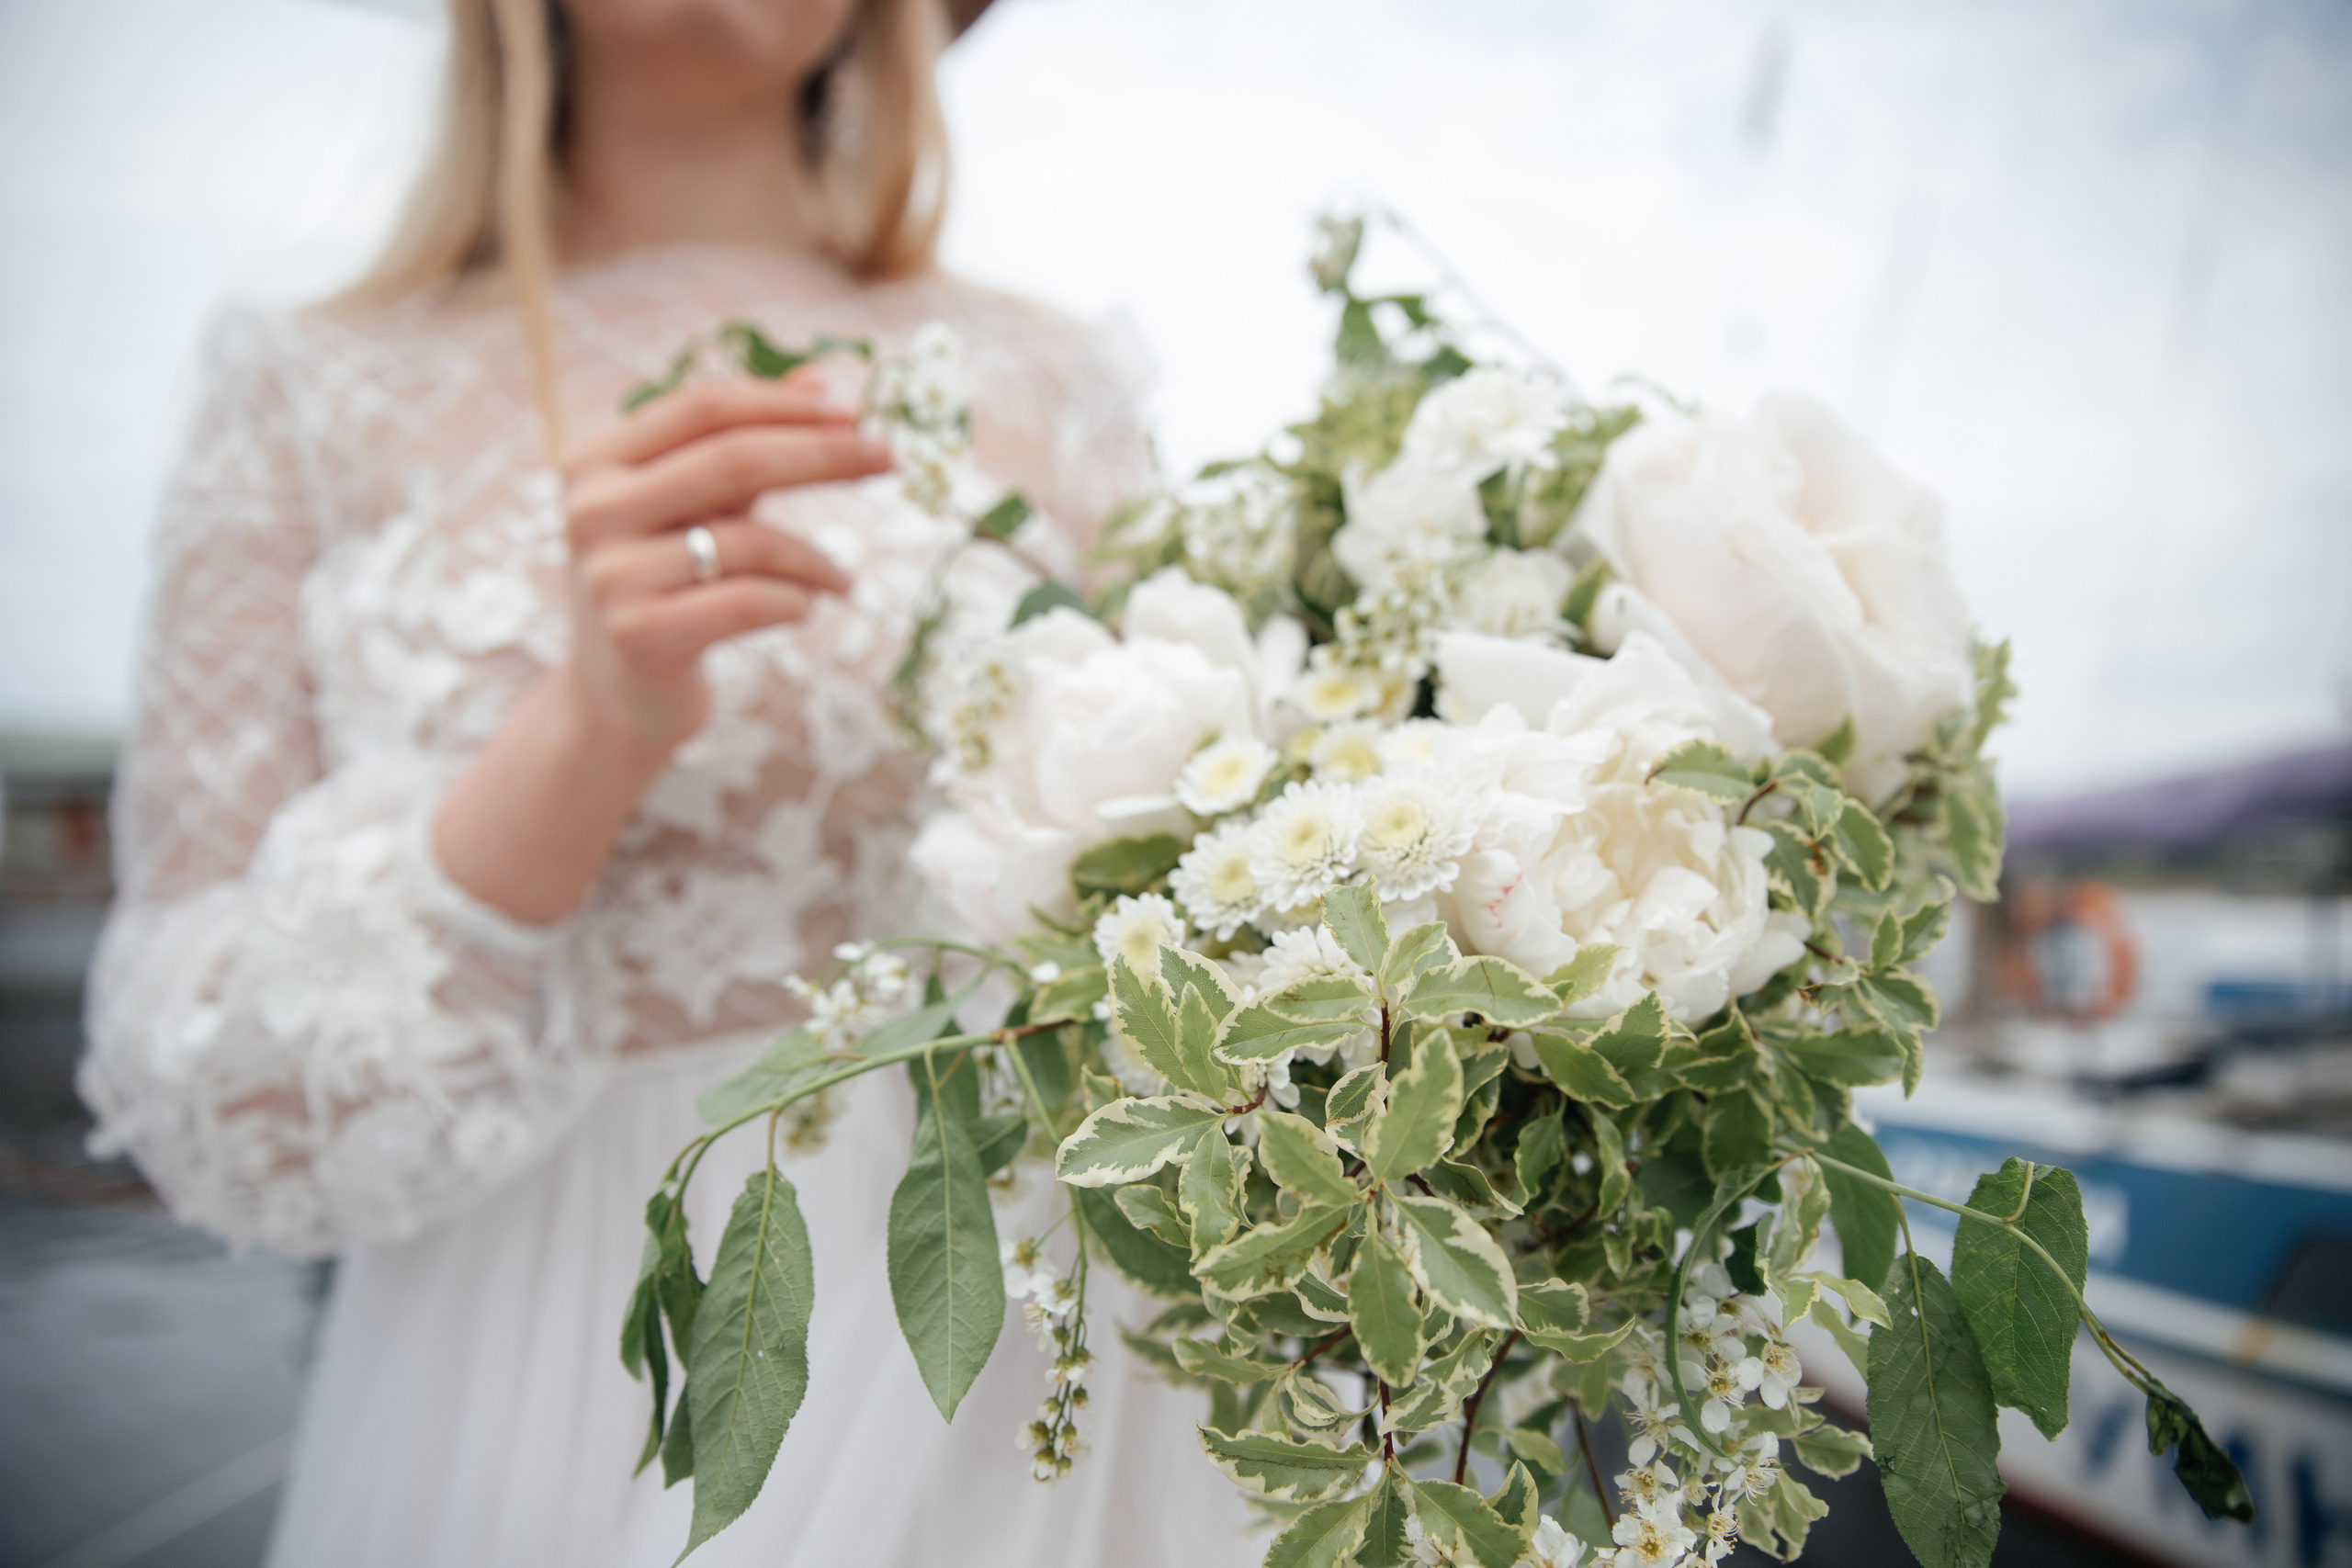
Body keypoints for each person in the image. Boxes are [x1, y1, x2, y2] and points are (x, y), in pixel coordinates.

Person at [78, 1, 1256, 1562]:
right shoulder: (311, 381)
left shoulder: (1058, 374)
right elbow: (200, 1095)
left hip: (1026, 1343)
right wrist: (591, 730)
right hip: (553, 1363)